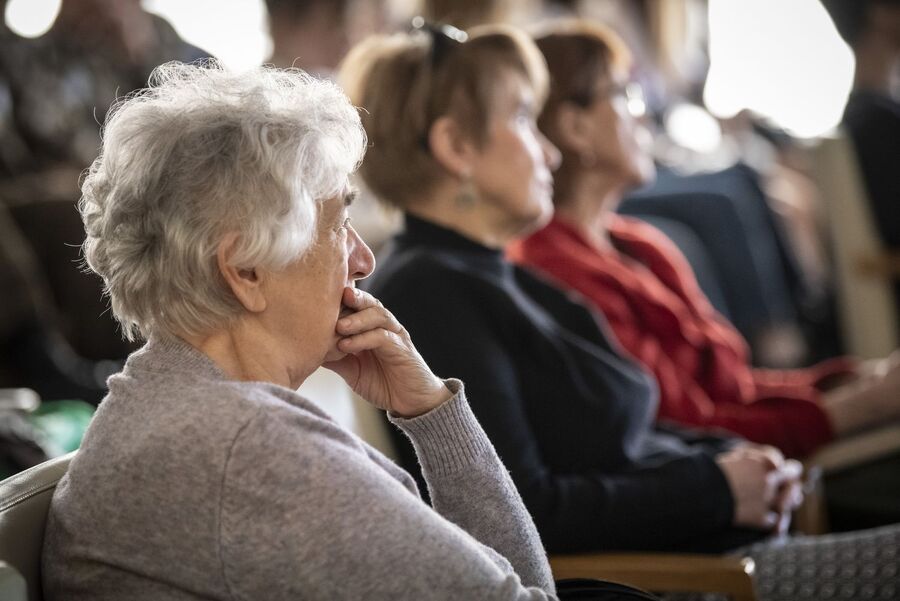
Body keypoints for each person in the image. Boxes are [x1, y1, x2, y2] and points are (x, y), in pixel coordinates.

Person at [341, 20, 900, 600]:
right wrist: (716, 488)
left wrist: (731, 460)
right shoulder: (433, 293)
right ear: (456, 147)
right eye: (524, 120)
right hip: (688, 579)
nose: (550, 151)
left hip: (714, 552)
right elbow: (524, 513)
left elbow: (635, 435)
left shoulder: (495, 274)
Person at [41, 62, 561, 600]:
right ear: (245, 270)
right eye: (339, 225)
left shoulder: (164, 405)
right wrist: (440, 421)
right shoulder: (248, 449)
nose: (364, 260)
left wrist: (430, 410)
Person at [507, 20, 900, 461]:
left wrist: (850, 382)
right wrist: (860, 407)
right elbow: (686, 429)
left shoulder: (642, 245)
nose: (642, 114)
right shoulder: (558, 271)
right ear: (574, 127)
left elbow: (734, 388)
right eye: (624, 93)